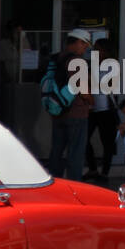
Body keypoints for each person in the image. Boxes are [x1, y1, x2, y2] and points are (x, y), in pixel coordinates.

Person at [44, 28, 94, 179]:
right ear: (78, 42)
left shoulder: (57, 58)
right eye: (85, 45)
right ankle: (74, 189)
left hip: (58, 111)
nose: (85, 48)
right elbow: (83, 91)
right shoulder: (77, 62)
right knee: (75, 153)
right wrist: (92, 101)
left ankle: (53, 185)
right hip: (76, 114)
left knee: (56, 152)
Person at [84, 37, 119, 182]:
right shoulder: (90, 65)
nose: (94, 52)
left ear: (105, 51)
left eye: (97, 49)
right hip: (92, 109)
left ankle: (105, 172)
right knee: (84, 138)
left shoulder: (112, 66)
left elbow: (110, 85)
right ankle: (92, 168)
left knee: (107, 142)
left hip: (106, 109)